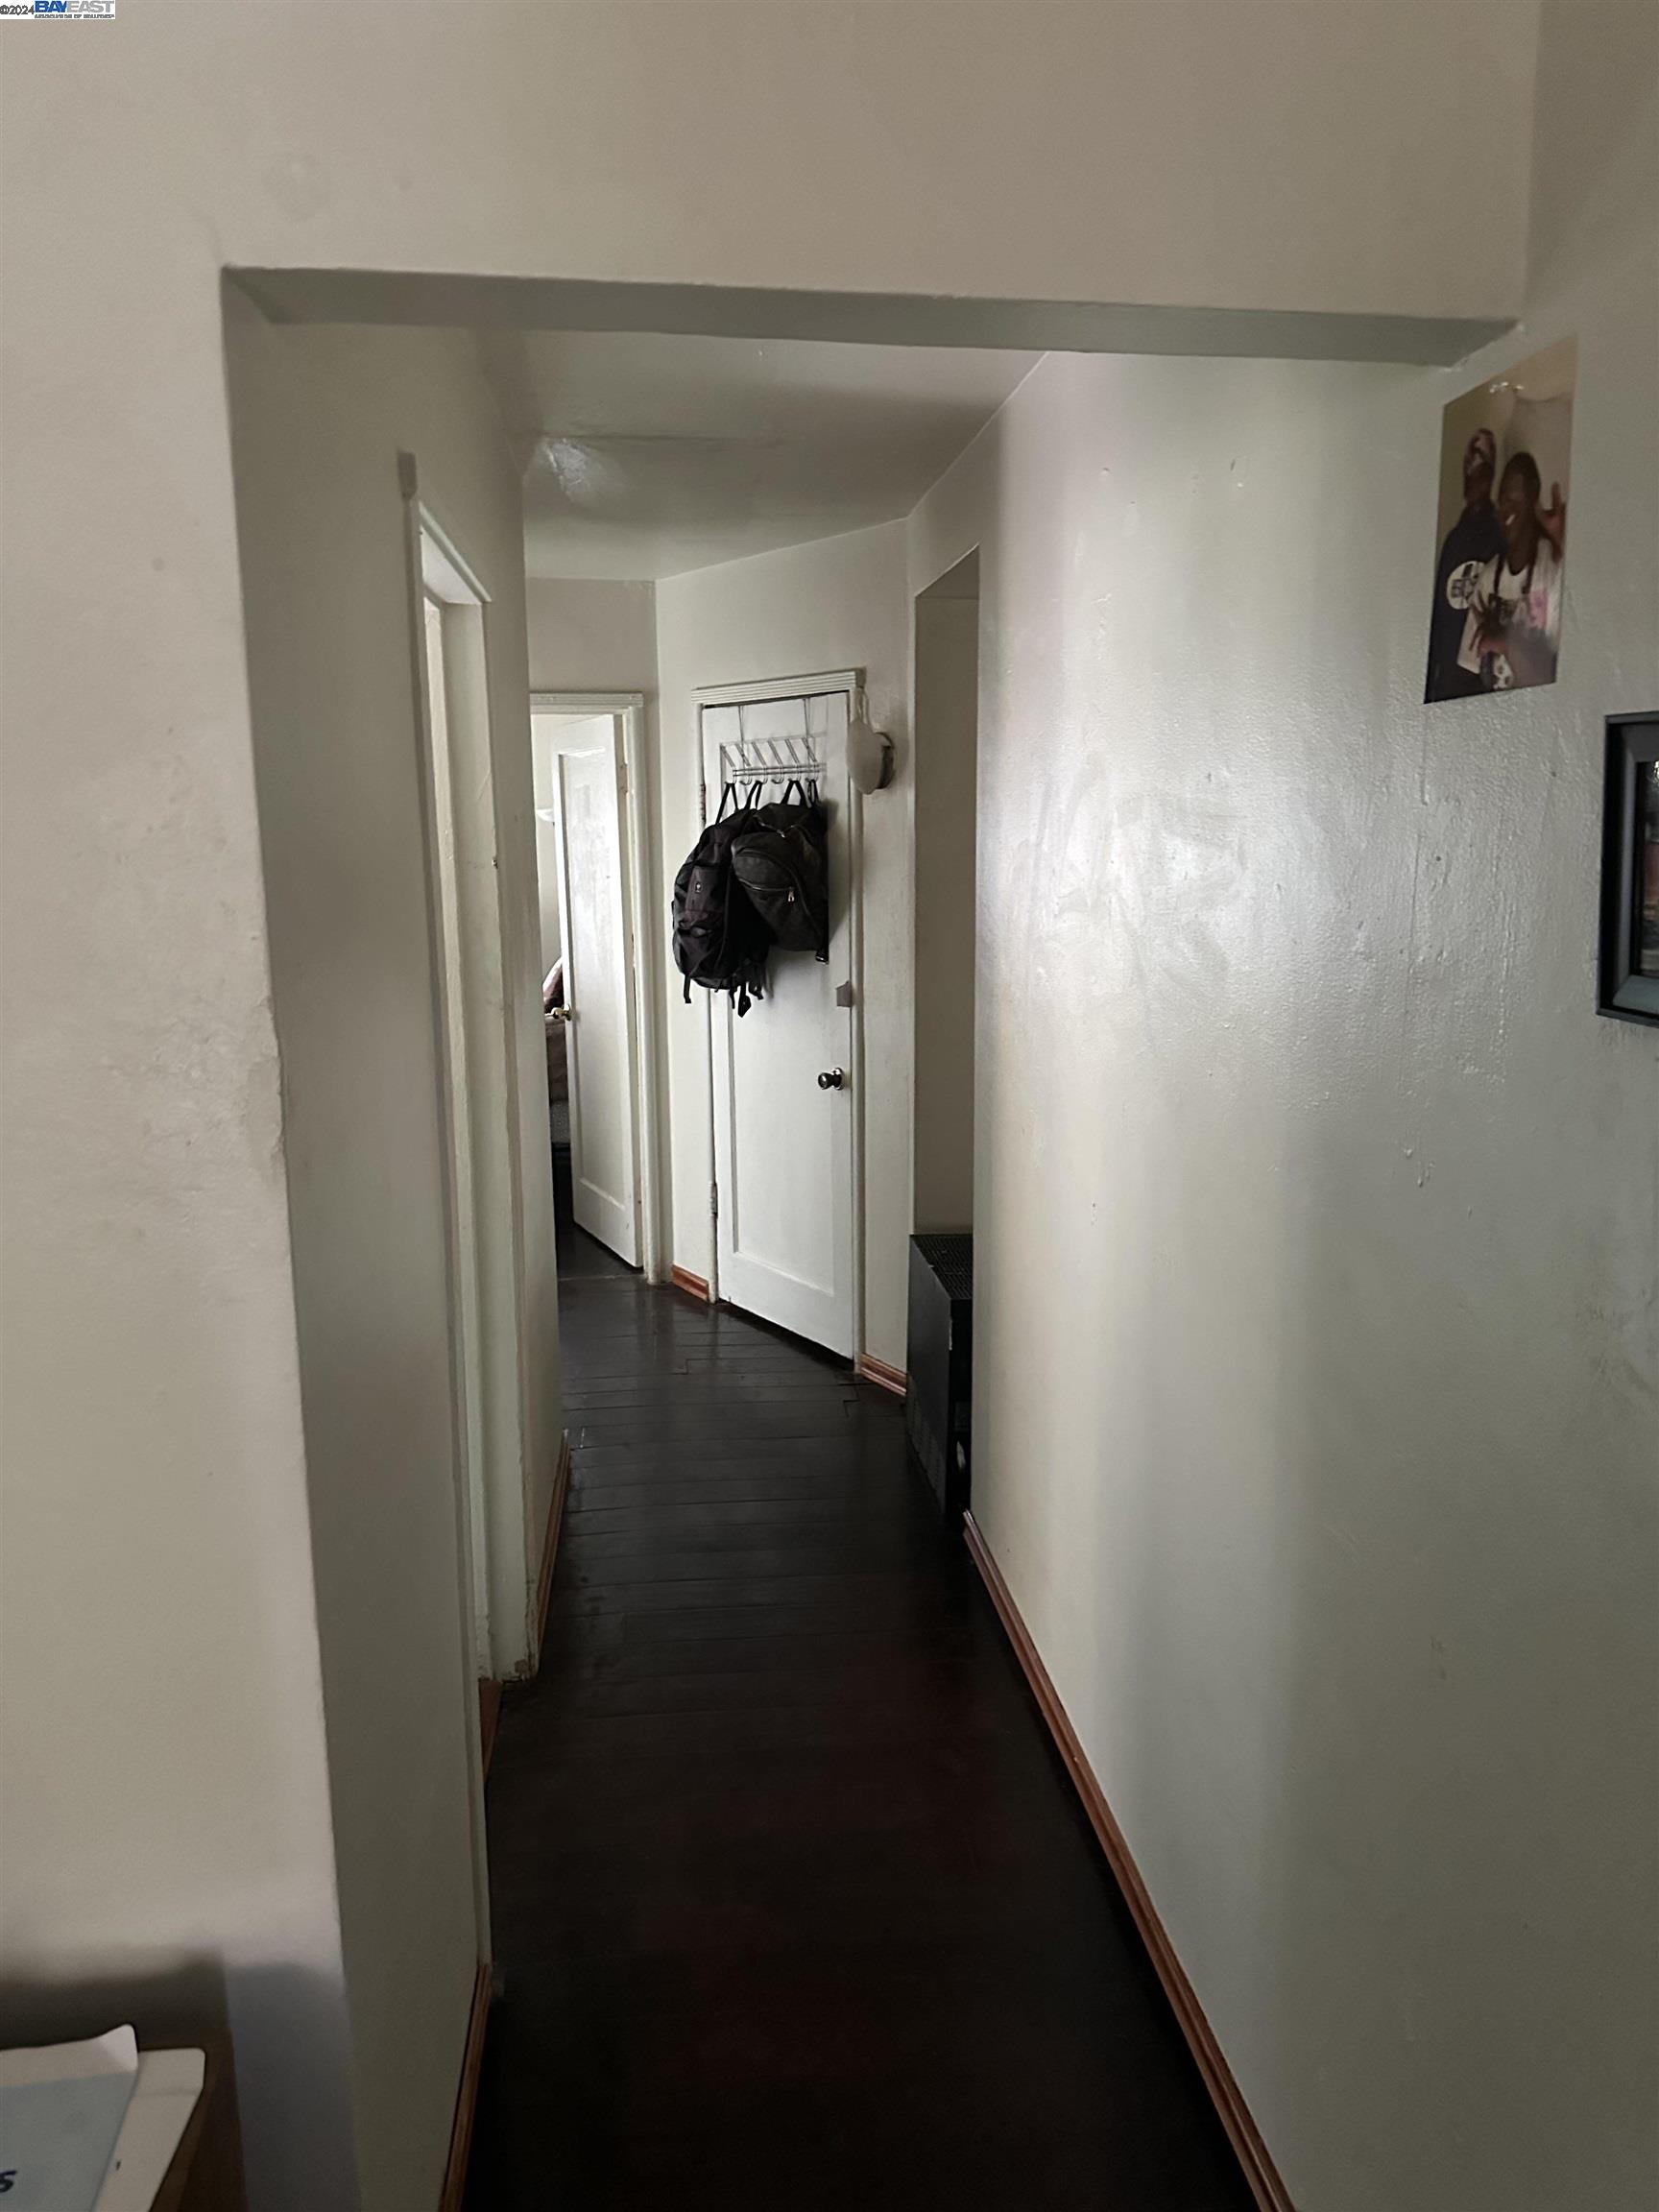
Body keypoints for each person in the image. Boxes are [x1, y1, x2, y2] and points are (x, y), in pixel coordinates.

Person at [1457, 450, 1564, 692]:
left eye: (1516, 499)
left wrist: (1506, 643)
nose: (1506, 507)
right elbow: (1470, 669)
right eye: (1503, 498)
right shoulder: (1489, 578)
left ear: (1534, 500)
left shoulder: (1551, 569)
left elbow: (1553, 676)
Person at [1425, 427, 1503, 701]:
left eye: (1482, 458)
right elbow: (1438, 611)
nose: (1475, 466)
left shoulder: (1499, 532)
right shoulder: (1454, 538)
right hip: (1445, 679)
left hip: (1478, 676)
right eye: (1471, 458)